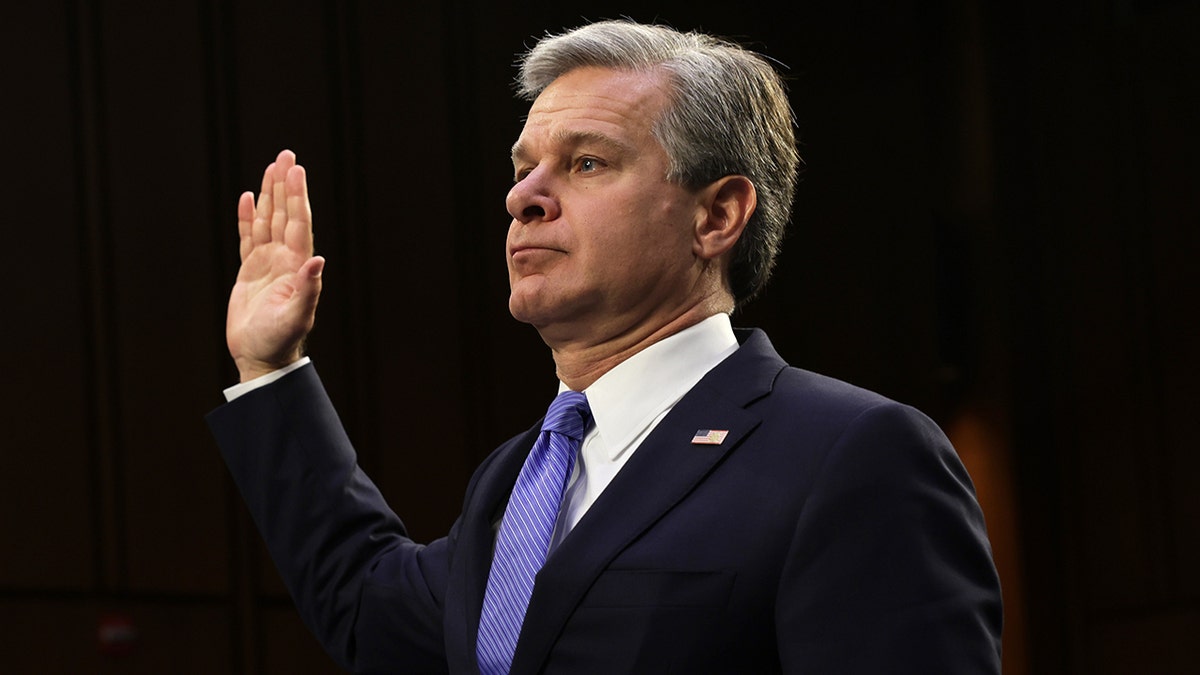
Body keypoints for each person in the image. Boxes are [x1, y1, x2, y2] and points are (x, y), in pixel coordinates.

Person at [207, 19, 1003, 674]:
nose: (524, 197)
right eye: (523, 170)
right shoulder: (517, 481)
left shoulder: (852, 454)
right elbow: (368, 606)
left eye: (587, 162)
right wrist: (270, 371)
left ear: (716, 217)